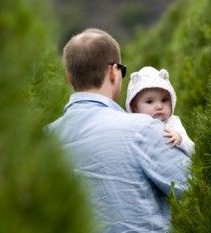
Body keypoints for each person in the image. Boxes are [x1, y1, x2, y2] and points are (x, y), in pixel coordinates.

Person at [47, 28, 191, 233]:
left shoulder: (41, 140)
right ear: (114, 72)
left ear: (69, 78)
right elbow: (199, 188)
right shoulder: (143, 128)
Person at [126, 66, 195, 156]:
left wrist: (180, 139)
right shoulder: (134, 127)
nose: (159, 106)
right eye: (149, 101)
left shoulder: (173, 123)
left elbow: (192, 150)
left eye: (164, 100)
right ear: (134, 107)